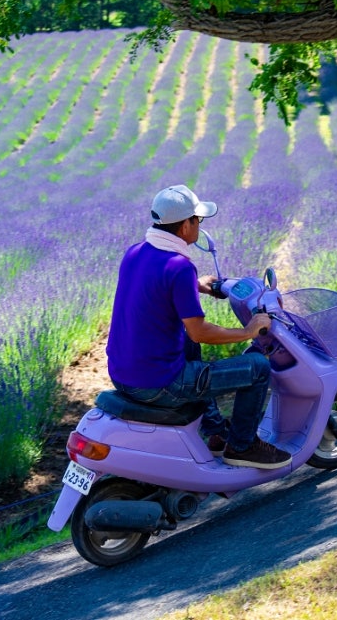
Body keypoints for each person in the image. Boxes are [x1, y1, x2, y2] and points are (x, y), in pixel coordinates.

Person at [105, 184, 291, 469]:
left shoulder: (136, 252)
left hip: (123, 375)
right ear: (184, 227)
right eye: (198, 220)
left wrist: (195, 286)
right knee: (257, 368)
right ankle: (242, 446)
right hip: (158, 384)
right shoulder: (179, 267)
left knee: (186, 344)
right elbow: (200, 331)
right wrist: (249, 330)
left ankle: (216, 432)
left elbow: (152, 288)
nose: (199, 226)